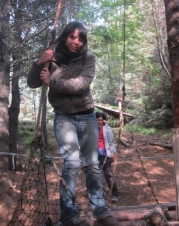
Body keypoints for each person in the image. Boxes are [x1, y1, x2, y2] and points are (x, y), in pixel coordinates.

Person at [27, 21, 118, 226]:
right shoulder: (52, 58)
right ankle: (68, 214)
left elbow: (81, 84)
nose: (76, 42)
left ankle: (100, 210)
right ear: (65, 36)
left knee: (93, 164)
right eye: (72, 37)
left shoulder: (88, 58)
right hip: (63, 117)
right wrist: (39, 62)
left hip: (86, 115)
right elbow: (32, 83)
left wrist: (53, 82)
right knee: (71, 164)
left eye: (80, 38)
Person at [95, 112, 119, 203]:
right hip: (95, 155)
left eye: (101, 120)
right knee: (96, 175)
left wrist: (113, 153)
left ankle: (115, 194)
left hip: (105, 154)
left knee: (108, 174)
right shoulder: (92, 128)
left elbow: (111, 141)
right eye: (98, 120)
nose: (100, 122)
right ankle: (98, 194)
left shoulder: (107, 129)